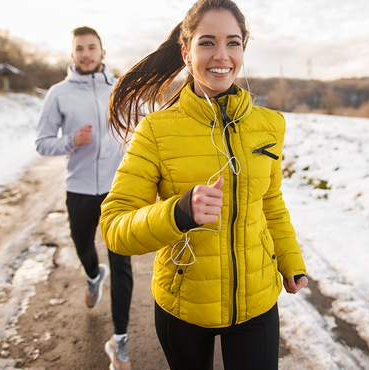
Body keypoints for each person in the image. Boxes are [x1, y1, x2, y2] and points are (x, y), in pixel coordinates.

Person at [100, 1, 308, 369]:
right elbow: (115, 228)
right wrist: (178, 213)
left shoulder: (270, 125)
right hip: (183, 305)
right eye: (207, 42)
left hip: (256, 303)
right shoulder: (157, 131)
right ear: (186, 52)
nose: (222, 56)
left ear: (244, 49)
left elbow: (271, 201)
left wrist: (290, 259)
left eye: (233, 42)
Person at [34, 26, 133, 370]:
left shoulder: (120, 89)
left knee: (122, 263)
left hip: (116, 190)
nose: (87, 53)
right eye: (80, 48)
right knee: (83, 247)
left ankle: (120, 340)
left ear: (103, 53)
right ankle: (93, 276)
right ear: (73, 54)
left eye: (92, 47)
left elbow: (135, 129)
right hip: (78, 189)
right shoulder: (58, 94)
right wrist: (71, 141)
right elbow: (42, 142)